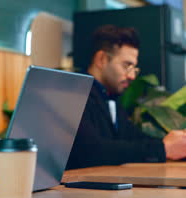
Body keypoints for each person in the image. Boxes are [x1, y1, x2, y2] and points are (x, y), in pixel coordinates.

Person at [66, 24, 186, 170]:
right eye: (126, 65)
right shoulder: (74, 94)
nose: (131, 75)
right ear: (102, 59)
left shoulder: (111, 98)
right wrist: (162, 148)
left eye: (134, 68)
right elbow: (93, 150)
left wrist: (176, 145)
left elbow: (134, 137)